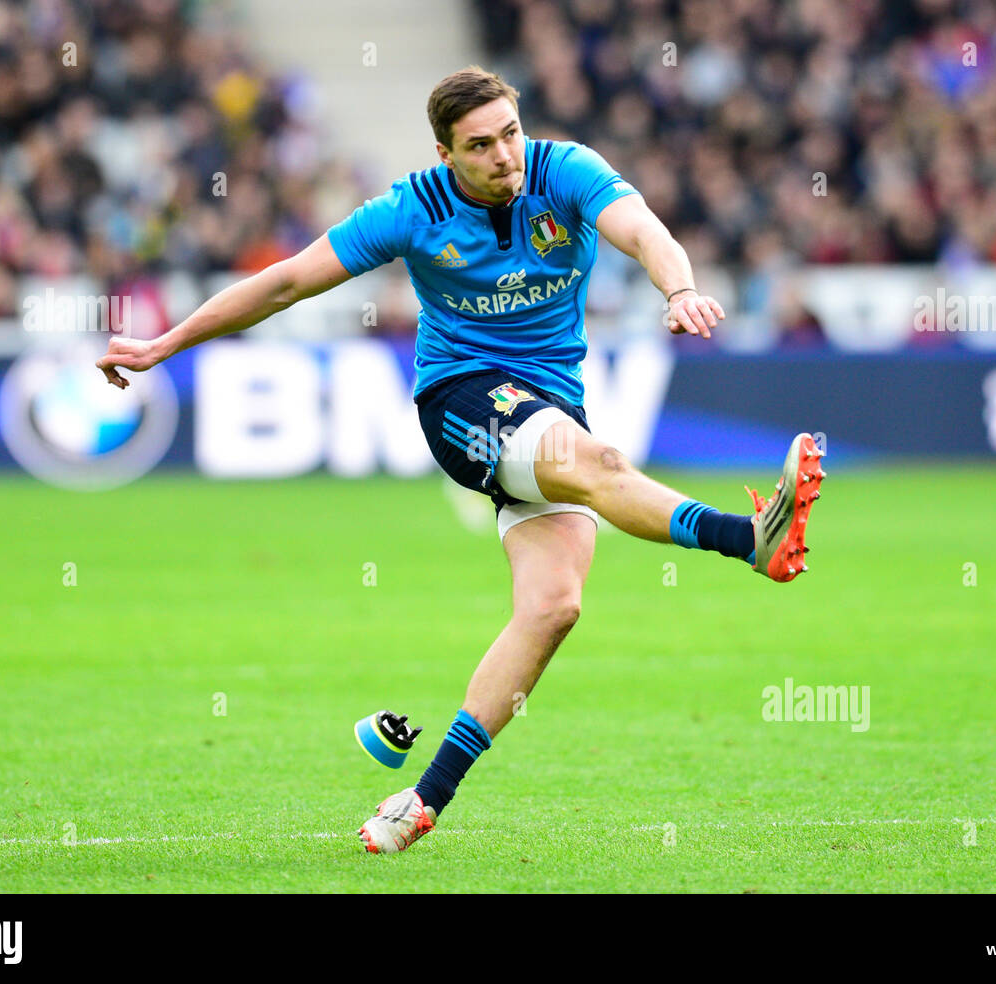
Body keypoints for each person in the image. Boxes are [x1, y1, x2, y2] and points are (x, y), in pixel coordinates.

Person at [96, 66, 824, 854]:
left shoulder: (565, 171)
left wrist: (677, 289)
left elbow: (644, 229)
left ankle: (422, 799)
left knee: (553, 608)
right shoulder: (412, 209)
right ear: (446, 153)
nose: (504, 156)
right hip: (461, 402)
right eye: (480, 146)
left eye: (510, 133)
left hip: (549, 405)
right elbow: (286, 284)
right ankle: (750, 540)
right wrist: (165, 344)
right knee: (602, 461)